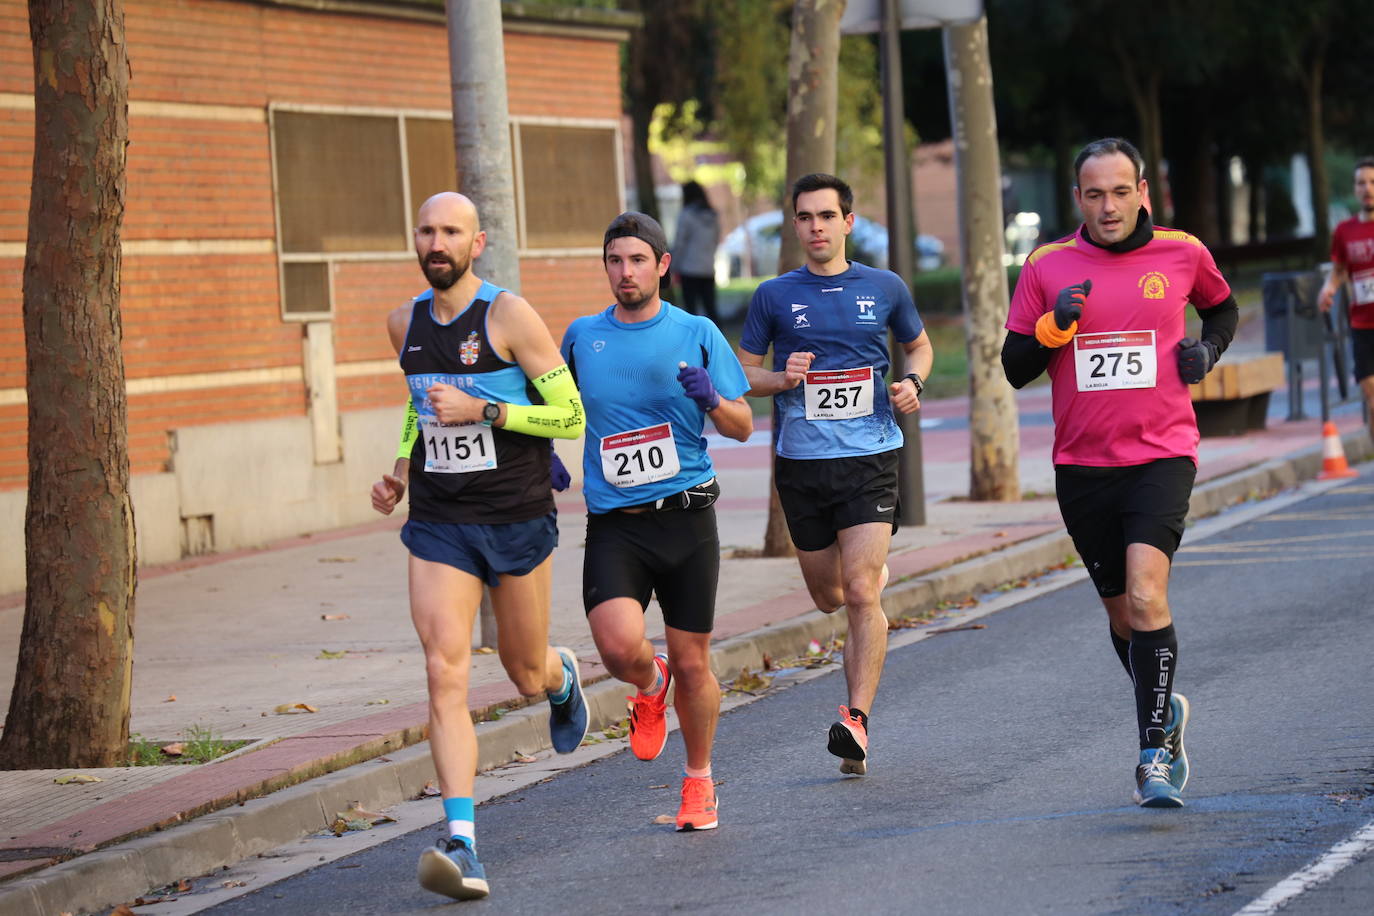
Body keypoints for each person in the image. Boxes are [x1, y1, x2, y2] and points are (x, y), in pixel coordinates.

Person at [1001, 138, 1240, 808]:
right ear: (1079, 197)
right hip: (1082, 465)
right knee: (1124, 618)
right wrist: (1056, 326)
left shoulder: (1182, 251)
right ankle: (1164, 711)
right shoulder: (1048, 266)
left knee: (1145, 595)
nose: (1109, 206)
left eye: (1120, 191)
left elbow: (1222, 307)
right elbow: (1014, 366)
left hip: (1162, 454)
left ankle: (1153, 754)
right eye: (1095, 194)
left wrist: (1207, 350)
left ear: (1143, 191)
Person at [370, 192, 587, 900]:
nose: (437, 242)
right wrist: (402, 470)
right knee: (443, 670)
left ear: (477, 242)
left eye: (451, 232)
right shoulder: (403, 321)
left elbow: (569, 413)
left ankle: (562, 679)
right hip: (439, 521)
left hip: (515, 514)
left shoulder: (508, 316)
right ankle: (462, 842)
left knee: (523, 670)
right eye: (428, 230)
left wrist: (488, 408)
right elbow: (418, 401)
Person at [737, 173, 933, 776]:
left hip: (871, 458)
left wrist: (913, 382)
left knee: (859, 592)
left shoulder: (885, 286)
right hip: (802, 465)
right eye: (805, 217)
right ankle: (865, 574)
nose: (816, 227)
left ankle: (856, 722)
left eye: (827, 215)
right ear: (794, 226)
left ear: (849, 222)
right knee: (828, 596)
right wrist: (782, 378)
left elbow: (919, 347)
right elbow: (744, 374)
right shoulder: (773, 295)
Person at [562, 211, 753, 830]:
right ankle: (649, 682)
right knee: (618, 647)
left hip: (686, 516)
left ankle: (699, 781)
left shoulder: (696, 331)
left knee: (696, 662)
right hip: (616, 520)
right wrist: (541, 457)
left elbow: (743, 426)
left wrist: (712, 399)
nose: (626, 271)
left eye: (638, 260)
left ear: (663, 266)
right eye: (615, 260)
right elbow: (550, 404)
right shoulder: (581, 336)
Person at [1318, 157, 1374, 446]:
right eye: (1361, 183)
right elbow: (1339, 271)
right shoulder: (1344, 231)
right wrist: (1328, 289)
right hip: (1362, 325)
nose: (1367, 188)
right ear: (1354, 189)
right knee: (1371, 398)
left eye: (1372, 182)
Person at [672, 180, 721, 325]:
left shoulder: (686, 215)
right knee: (711, 309)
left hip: (689, 269)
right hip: (707, 268)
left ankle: (691, 343)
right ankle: (716, 342)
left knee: (690, 312)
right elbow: (715, 241)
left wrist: (673, 267)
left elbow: (680, 244)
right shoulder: (713, 216)